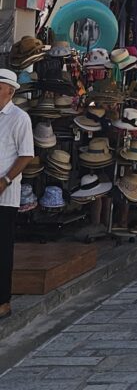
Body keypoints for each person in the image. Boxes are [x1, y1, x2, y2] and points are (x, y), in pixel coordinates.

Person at [0, 68, 34, 320]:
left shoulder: (19, 117)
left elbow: (26, 154)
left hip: (4, 193)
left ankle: (3, 301)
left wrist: (7, 179)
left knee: (2, 248)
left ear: (10, 91)